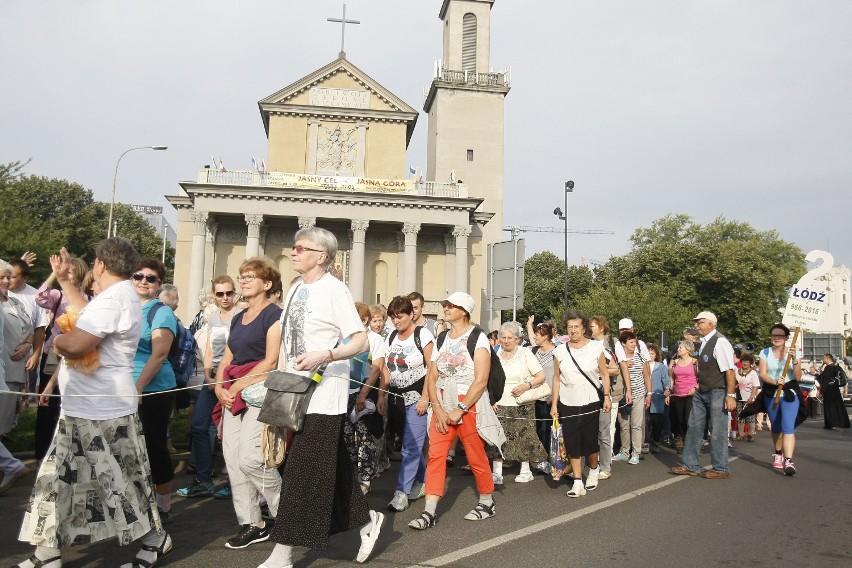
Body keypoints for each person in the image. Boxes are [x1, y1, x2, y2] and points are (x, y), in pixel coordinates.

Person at [15, 240, 171, 568]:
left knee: (118, 484)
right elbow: (86, 316)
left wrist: (53, 340)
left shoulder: (115, 300)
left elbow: (77, 344)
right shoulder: (118, 297)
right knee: (56, 482)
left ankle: (156, 540)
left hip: (102, 411)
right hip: (87, 408)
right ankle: (47, 554)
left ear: (100, 265)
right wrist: (67, 282)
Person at [261, 228, 383, 567]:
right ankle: (367, 521)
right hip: (293, 393)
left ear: (323, 256)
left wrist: (326, 355)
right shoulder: (298, 288)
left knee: (301, 472)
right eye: (294, 245)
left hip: (323, 398)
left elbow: (360, 340)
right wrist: (279, 377)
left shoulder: (335, 290)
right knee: (330, 468)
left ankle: (282, 553)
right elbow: (288, 340)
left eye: (302, 247)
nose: (294, 251)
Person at [408, 291, 504, 530]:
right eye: (445, 304)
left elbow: (481, 380)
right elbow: (432, 376)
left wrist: (460, 409)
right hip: (442, 401)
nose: (446, 308)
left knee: (475, 456)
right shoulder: (442, 338)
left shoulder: (478, 337)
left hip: (469, 404)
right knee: (436, 457)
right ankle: (429, 511)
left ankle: (486, 501)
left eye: (452, 305)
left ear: (464, 310)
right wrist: (438, 409)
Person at [214, 258, 283, 550]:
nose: (243, 280)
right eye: (242, 276)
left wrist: (239, 385)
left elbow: (271, 360)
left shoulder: (275, 315)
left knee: (252, 459)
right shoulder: (237, 317)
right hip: (233, 392)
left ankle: (287, 514)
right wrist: (219, 386)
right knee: (232, 460)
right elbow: (228, 358)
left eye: (250, 277)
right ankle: (252, 523)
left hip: (259, 391)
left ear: (267, 284)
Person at [178, 275, 238, 498]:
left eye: (229, 293)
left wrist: (223, 379)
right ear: (214, 295)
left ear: (235, 293)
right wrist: (208, 377)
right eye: (220, 293)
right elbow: (210, 351)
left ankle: (237, 484)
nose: (224, 297)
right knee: (200, 426)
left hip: (233, 379)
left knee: (232, 433)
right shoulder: (213, 318)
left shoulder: (241, 315)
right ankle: (203, 480)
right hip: (212, 379)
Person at [381, 295, 434, 512]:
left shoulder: (423, 335)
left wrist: (425, 398)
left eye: (400, 316)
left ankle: (401, 492)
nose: (396, 321)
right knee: (408, 444)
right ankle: (424, 479)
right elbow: (384, 366)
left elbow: (432, 369)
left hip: (416, 399)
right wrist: (381, 396)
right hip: (395, 398)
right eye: (393, 317)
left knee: (410, 447)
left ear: (411, 314)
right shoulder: (391, 336)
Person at [550, 311, 611, 497]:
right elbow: (556, 379)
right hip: (568, 403)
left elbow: (605, 373)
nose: (573, 330)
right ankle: (577, 482)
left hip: (591, 401)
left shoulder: (595, 348)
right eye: (570, 327)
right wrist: (554, 404)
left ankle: (593, 468)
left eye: (576, 326)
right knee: (572, 443)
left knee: (590, 443)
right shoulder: (559, 351)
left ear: (584, 328)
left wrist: (607, 396)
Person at [35, 255, 89, 461]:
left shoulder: (87, 299)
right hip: (54, 353)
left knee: (69, 402)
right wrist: (54, 275)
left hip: (78, 354)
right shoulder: (57, 295)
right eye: (65, 271)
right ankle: (42, 452)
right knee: (47, 403)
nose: (67, 273)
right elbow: (40, 297)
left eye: (71, 271)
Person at [671, 311, 737, 479]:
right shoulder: (704, 343)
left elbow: (729, 370)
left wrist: (730, 395)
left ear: (711, 324)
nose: (696, 325)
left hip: (717, 391)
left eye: (700, 322)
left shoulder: (720, 341)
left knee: (717, 430)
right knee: (694, 427)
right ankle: (690, 464)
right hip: (703, 390)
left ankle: (721, 468)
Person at [490, 321, 547, 484]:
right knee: (497, 437)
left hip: (521, 402)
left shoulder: (525, 353)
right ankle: (497, 473)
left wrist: (525, 386)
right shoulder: (495, 352)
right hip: (499, 402)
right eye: (503, 337)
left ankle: (525, 470)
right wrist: (491, 399)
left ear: (517, 339)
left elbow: (541, 376)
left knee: (525, 437)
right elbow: (488, 378)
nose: (506, 340)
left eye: (510, 337)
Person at [343, 302, 386, 495]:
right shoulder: (344, 338)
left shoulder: (374, 339)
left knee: (365, 435)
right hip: (343, 393)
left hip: (364, 392)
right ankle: (351, 474)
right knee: (346, 436)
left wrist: (363, 394)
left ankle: (366, 476)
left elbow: (377, 368)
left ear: (365, 320)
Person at [757, 323, 803, 476]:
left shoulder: (793, 353)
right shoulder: (764, 353)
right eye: (774, 335)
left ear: (786, 338)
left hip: (790, 394)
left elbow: (798, 377)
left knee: (788, 426)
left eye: (780, 336)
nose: (777, 338)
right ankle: (778, 452)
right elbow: (762, 374)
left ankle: (788, 460)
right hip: (772, 392)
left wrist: (794, 359)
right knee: (776, 426)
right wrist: (775, 381)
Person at [0, 260, 35, 437]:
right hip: (3, 369)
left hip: (15, 371)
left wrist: (28, 344)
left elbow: (30, 329)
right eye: (2, 277)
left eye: (9, 277)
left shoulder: (14, 302)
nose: (6, 281)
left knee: (6, 419)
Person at [8, 259, 47, 398]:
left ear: (24, 278)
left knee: (18, 400)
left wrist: (36, 355)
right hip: (4, 354)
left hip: (24, 357)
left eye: (12, 277)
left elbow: (39, 329)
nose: (8, 280)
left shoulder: (36, 297)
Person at [589, 315, 620, 480]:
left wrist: (601, 371)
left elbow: (616, 369)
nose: (589, 329)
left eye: (592, 326)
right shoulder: (586, 345)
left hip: (603, 391)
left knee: (604, 431)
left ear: (601, 327)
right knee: (587, 430)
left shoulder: (609, 346)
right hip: (586, 392)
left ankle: (605, 466)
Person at [613, 330, 650, 465]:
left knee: (636, 425)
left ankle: (636, 453)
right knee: (623, 425)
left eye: (635, 342)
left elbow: (646, 375)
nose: (634, 344)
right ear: (623, 343)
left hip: (639, 393)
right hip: (622, 395)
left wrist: (649, 394)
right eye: (631, 342)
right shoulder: (618, 359)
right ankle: (624, 451)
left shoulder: (641, 357)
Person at [529, 319, 557, 473]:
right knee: (536, 428)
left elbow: (558, 376)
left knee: (547, 429)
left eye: (538, 335)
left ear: (545, 336)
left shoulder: (557, 352)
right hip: (534, 396)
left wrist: (554, 395)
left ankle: (548, 459)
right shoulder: (533, 351)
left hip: (549, 397)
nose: (535, 338)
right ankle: (538, 458)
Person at [667, 340, 698, 453]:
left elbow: (701, 378)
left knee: (688, 419)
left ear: (688, 350)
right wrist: (669, 391)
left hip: (691, 394)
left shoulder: (695, 362)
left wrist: (695, 388)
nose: (679, 349)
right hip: (677, 394)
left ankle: (693, 444)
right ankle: (685, 443)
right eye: (679, 347)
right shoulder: (674, 362)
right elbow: (671, 379)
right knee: (680, 420)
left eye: (681, 348)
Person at [816, 354, 851, 430]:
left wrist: (821, 392)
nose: (823, 360)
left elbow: (825, 381)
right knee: (838, 406)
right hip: (835, 389)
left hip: (829, 389)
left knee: (830, 407)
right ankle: (840, 423)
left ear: (828, 359)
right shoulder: (836, 367)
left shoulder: (828, 368)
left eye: (824, 358)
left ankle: (832, 424)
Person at [647, 343, 671, 454]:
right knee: (646, 421)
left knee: (656, 421)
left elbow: (666, 381)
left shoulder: (660, 367)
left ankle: (656, 442)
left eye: (652, 353)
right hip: (645, 397)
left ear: (656, 355)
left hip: (657, 398)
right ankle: (646, 442)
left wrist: (667, 390)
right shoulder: (643, 365)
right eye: (648, 353)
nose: (650, 355)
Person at [735, 353, 760, 440]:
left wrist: (751, 397)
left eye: (747, 361)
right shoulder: (737, 371)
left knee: (750, 417)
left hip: (749, 397)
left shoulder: (753, 373)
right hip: (739, 397)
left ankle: (750, 434)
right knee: (740, 416)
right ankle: (741, 434)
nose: (745, 363)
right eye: (744, 361)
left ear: (750, 363)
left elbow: (756, 386)